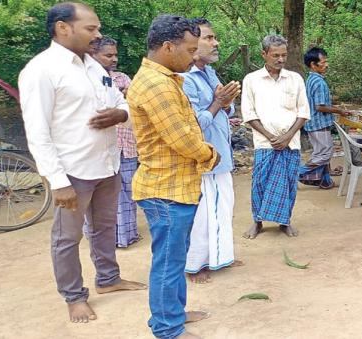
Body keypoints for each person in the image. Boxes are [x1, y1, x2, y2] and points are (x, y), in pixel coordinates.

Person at [18, 2, 146, 323]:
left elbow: (121, 103)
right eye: (91, 28)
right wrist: (57, 181)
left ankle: (108, 279)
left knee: (105, 227)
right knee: (66, 239)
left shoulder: (93, 66)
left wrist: (122, 114)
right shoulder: (40, 70)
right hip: (72, 173)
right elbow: (37, 131)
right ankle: (74, 297)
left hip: (108, 165)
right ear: (63, 28)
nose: (98, 34)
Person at [128, 15, 220, 339]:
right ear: (168, 47)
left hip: (174, 187)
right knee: (168, 264)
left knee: (174, 258)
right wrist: (211, 155)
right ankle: (167, 329)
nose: (194, 56)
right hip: (165, 189)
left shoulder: (166, 79)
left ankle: (173, 315)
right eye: (190, 49)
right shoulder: (156, 85)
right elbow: (181, 138)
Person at [180, 18, 242, 284]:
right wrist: (219, 103)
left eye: (215, 37)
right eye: (209, 38)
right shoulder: (185, 78)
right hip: (202, 159)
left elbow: (226, 110)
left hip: (220, 156)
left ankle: (219, 257)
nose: (215, 43)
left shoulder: (209, 72)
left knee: (222, 208)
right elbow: (194, 124)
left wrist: (226, 106)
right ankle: (194, 266)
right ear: (191, 45)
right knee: (203, 214)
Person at [241, 35, 310, 239]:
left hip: (291, 142)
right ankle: (257, 222)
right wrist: (271, 137)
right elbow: (249, 114)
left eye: (284, 55)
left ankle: (284, 221)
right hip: (264, 142)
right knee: (260, 182)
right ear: (264, 54)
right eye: (275, 55)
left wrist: (287, 137)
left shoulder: (295, 79)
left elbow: (303, 112)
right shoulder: (251, 80)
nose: (280, 59)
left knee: (289, 183)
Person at [89, 36, 141, 247]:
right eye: (108, 55)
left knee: (127, 191)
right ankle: (105, 238)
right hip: (100, 147)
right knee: (103, 195)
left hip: (126, 145)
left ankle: (127, 235)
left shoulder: (122, 78)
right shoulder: (86, 80)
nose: (114, 59)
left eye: (115, 55)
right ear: (94, 55)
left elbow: (135, 105)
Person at [298, 47, 351, 189]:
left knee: (320, 151)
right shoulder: (319, 83)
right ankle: (297, 173)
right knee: (325, 153)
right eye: (323, 62)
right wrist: (338, 110)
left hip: (312, 122)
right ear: (313, 65)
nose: (326, 65)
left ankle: (325, 181)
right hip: (318, 123)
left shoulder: (310, 79)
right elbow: (319, 107)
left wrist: (334, 106)